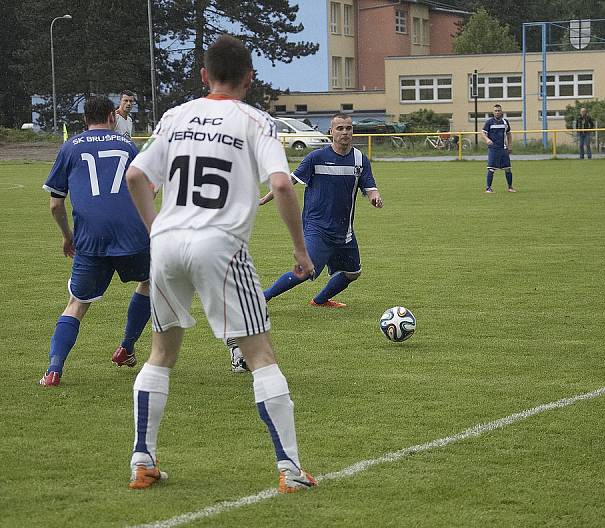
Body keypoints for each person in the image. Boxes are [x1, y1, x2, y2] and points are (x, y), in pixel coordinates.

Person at [123, 34, 317, 493]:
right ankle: (290, 469)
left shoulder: (176, 116)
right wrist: (300, 250)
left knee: (161, 354)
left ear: (204, 75)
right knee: (260, 355)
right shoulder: (257, 120)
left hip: (168, 243)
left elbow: (135, 175)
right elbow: (284, 185)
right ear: (250, 78)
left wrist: (156, 230)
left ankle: (142, 459)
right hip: (222, 245)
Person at [39, 96, 150, 387]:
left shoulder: (70, 147)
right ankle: (126, 346)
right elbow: (145, 191)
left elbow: (55, 204)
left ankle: (54, 370)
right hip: (131, 234)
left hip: (91, 236)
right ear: (113, 116)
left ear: (84, 119)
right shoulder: (127, 145)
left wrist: (67, 237)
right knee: (152, 282)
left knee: (77, 303)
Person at [258, 112, 384, 310]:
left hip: (344, 231)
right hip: (317, 228)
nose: (345, 132)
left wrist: (375, 197)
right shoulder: (316, 157)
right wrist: (266, 198)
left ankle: (320, 300)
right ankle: (262, 298)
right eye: (340, 128)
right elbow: (288, 181)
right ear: (331, 131)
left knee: (353, 272)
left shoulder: (360, 159)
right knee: (307, 269)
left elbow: (370, 186)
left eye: (348, 128)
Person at [482, 104, 515, 192]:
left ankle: (510, 187)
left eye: (498, 110)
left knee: (507, 168)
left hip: (503, 149)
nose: (497, 112)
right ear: (493, 112)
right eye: (495, 111)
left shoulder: (505, 122)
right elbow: (483, 133)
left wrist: (510, 145)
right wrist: (487, 140)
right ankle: (488, 188)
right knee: (491, 168)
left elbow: (509, 134)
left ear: (501, 112)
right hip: (493, 149)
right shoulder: (489, 122)